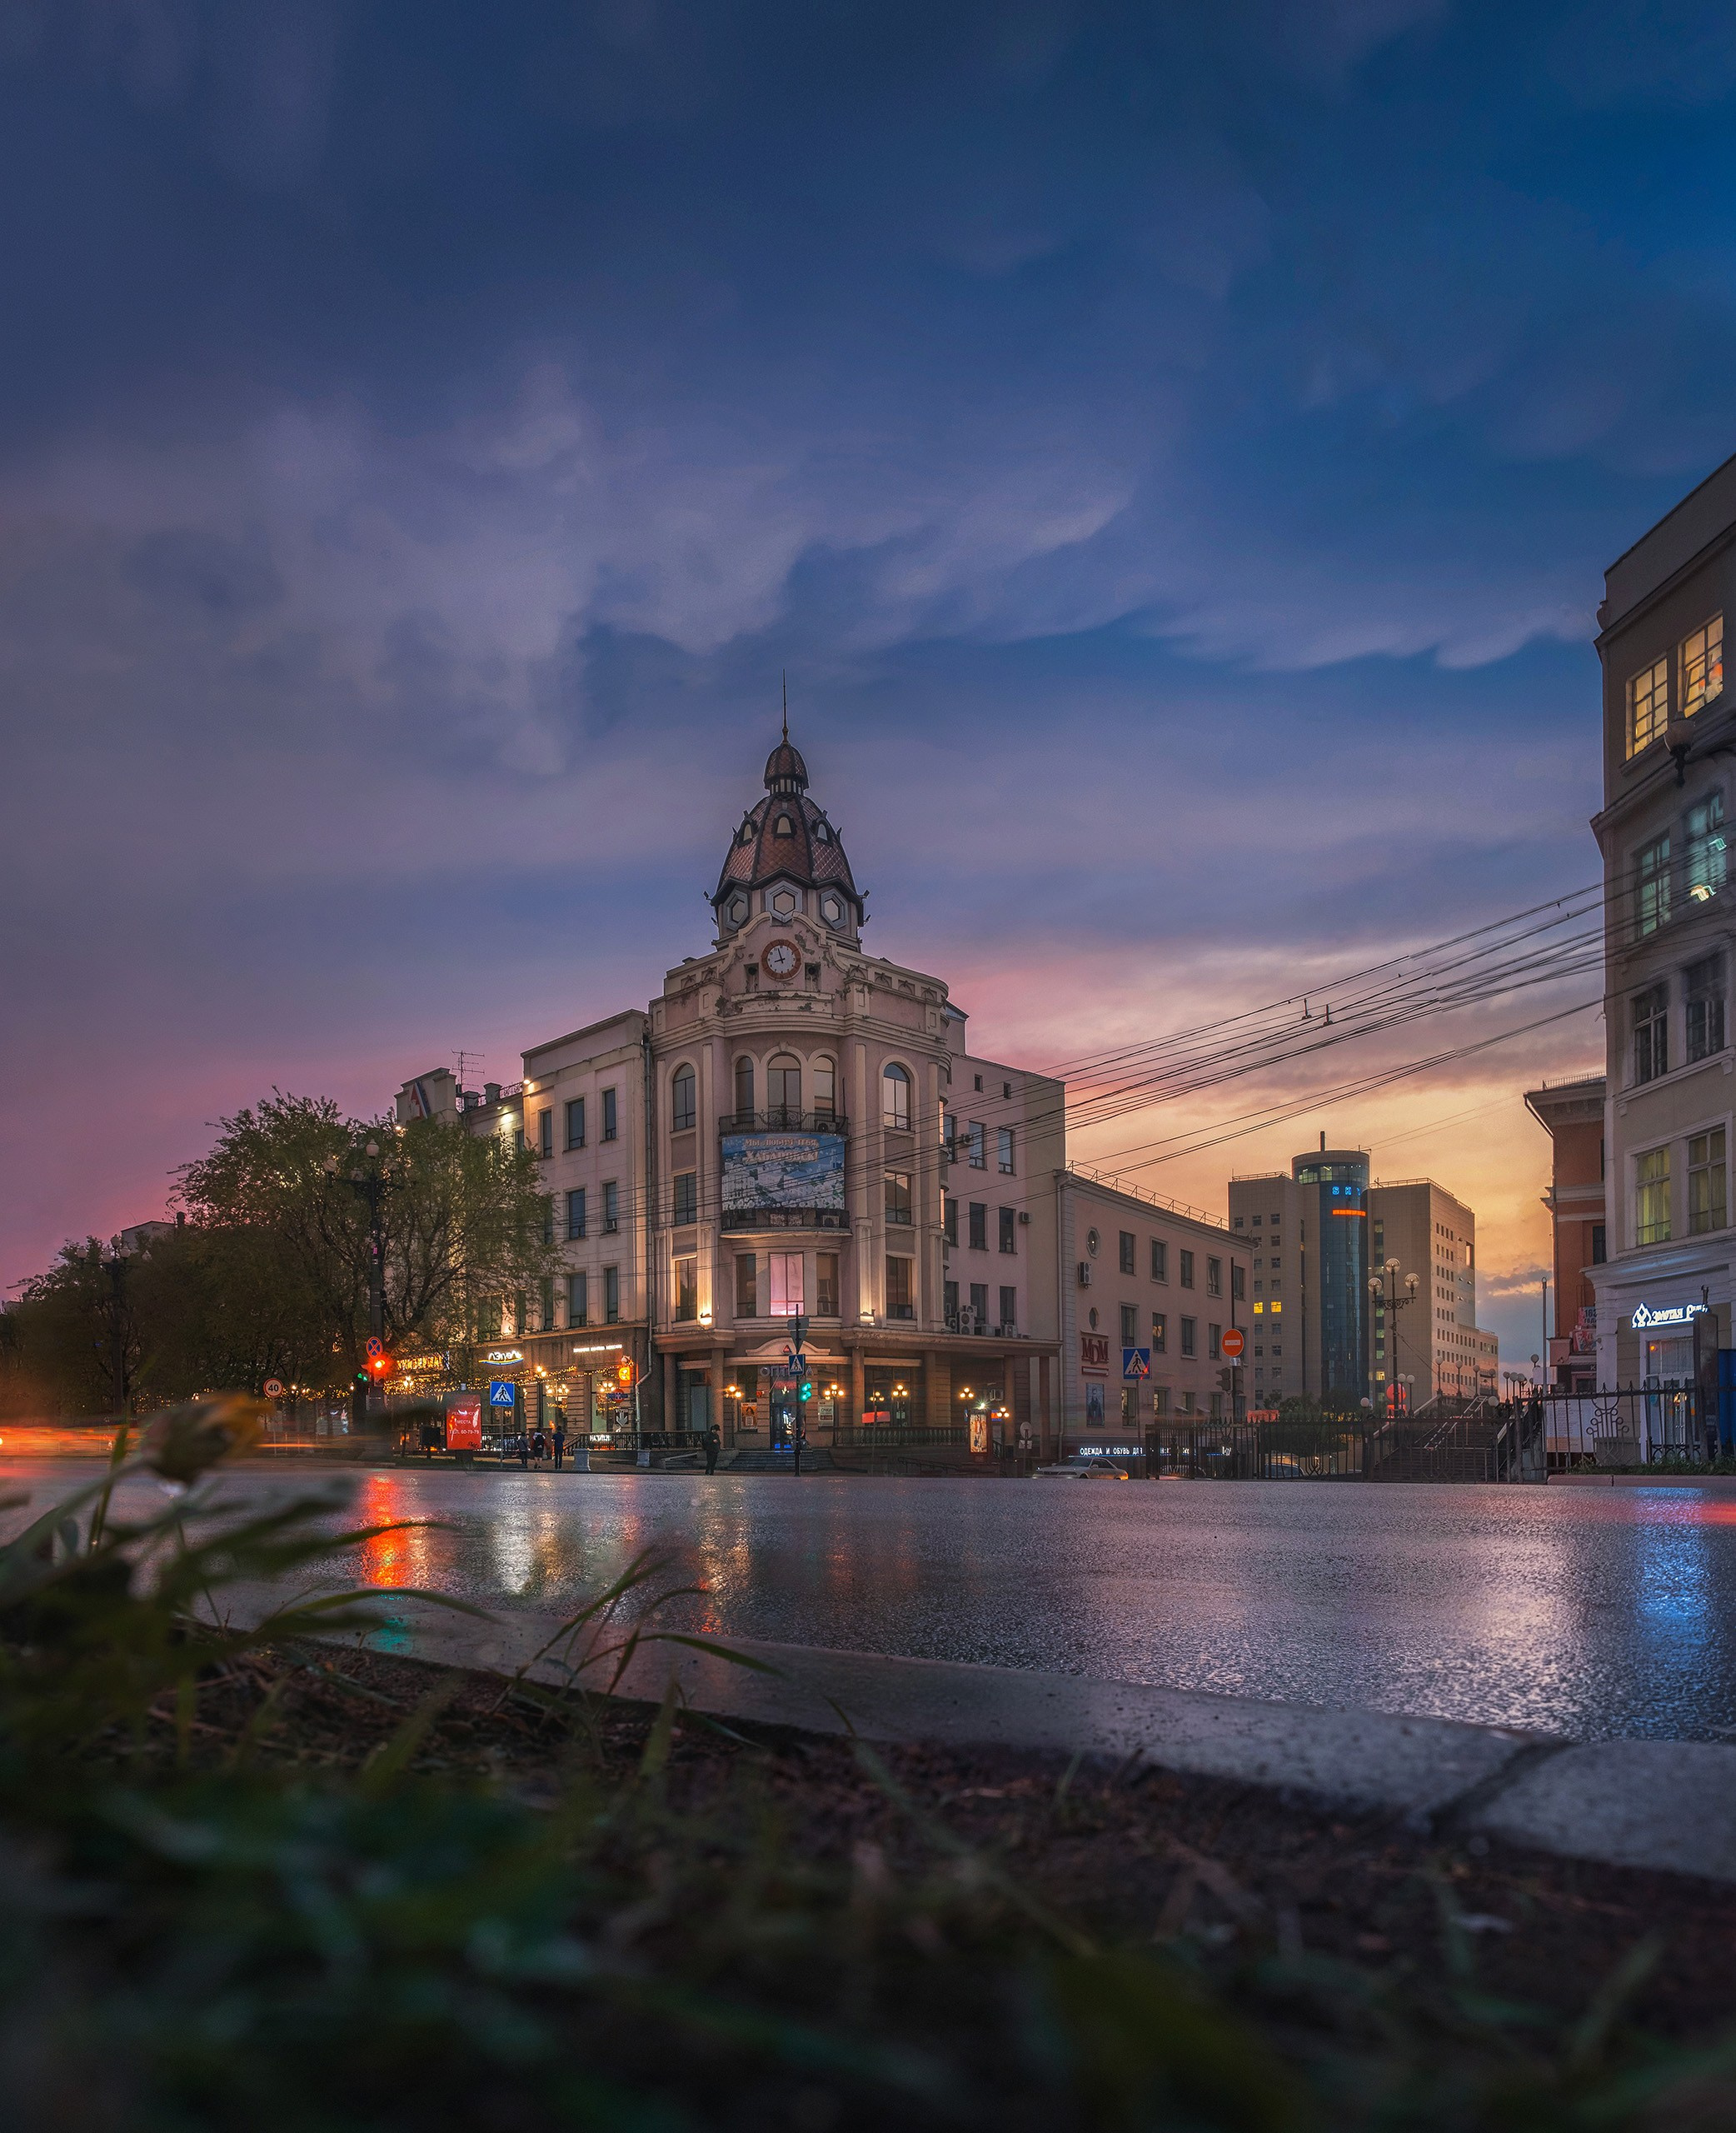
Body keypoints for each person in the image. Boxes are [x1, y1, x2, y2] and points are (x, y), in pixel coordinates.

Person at [552, 1406, 567, 1470]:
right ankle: (560, 1466)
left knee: (556, 1457)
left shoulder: (555, 1435)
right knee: (560, 1457)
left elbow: (553, 1439)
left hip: (556, 1446)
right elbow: (563, 1440)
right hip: (561, 1446)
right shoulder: (562, 1435)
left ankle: (556, 1466)